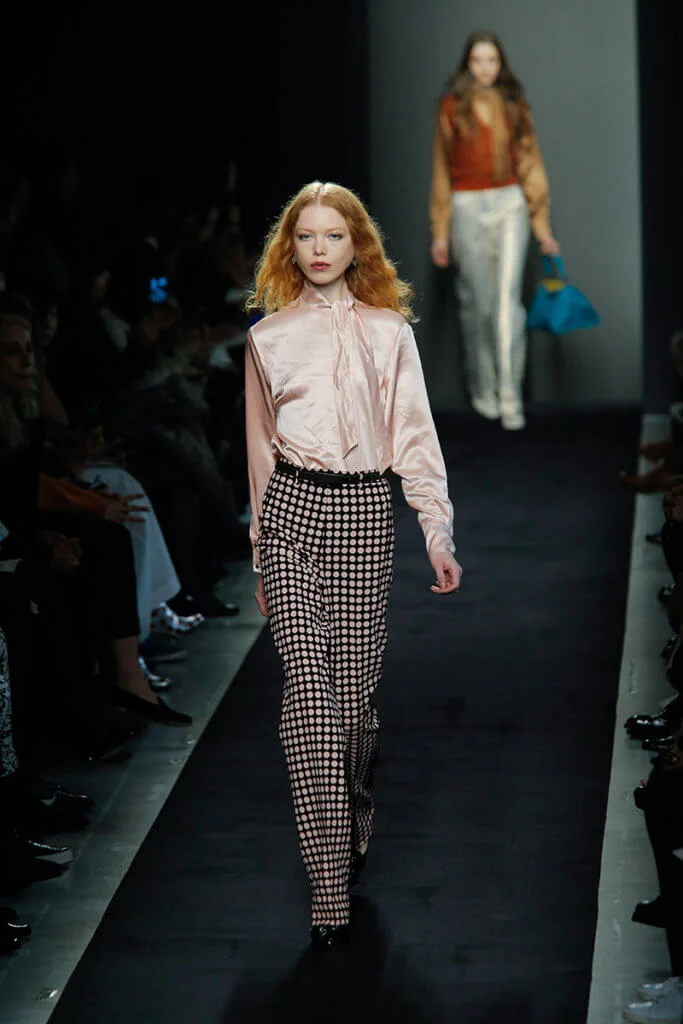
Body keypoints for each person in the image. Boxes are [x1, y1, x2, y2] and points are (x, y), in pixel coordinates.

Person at [245, 181, 462, 948]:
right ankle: (328, 890)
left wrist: (436, 532)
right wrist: (261, 556)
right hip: (291, 513)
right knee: (308, 701)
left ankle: (354, 803)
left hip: (365, 515)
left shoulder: (387, 332)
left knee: (353, 713)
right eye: (305, 236)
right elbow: (259, 453)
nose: (318, 249)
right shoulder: (267, 339)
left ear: (355, 245)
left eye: (332, 236)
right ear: (289, 247)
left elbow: (414, 439)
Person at [430, 30, 560, 430]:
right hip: (467, 204)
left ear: (500, 64)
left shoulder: (514, 105)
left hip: (509, 202)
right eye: (477, 60)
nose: (484, 68)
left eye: (491, 60)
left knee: (508, 301)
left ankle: (510, 396)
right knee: (477, 304)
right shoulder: (451, 108)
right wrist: (440, 230)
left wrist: (542, 227)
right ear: (467, 64)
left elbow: (531, 164)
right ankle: (483, 389)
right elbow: (441, 170)